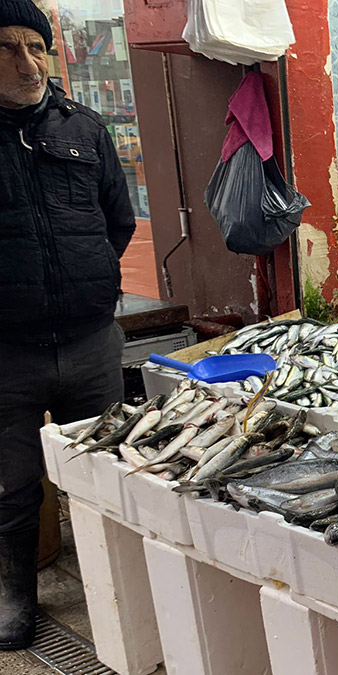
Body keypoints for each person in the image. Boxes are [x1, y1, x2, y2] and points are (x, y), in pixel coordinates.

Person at [0, 0, 134, 650]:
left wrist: (90, 285)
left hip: (89, 340)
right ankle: (14, 593)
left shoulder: (86, 128)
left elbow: (119, 220)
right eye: (6, 47)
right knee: (14, 485)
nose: (26, 61)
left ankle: (122, 588)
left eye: (36, 46)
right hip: (8, 354)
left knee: (109, 469)